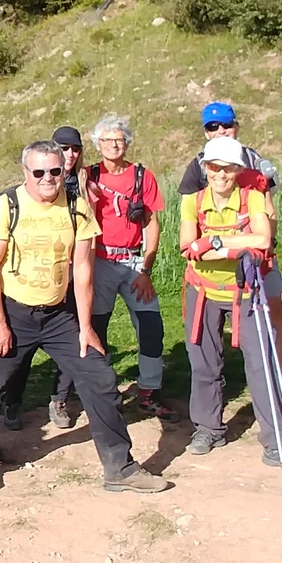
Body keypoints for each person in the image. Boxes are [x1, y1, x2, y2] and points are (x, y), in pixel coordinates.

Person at [0, 140, 169, 495]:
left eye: (55, 171)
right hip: (12, 311)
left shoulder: (76, 206)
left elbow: (84, 268)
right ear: (25, 173)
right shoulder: (8, 204)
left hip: (59, 314)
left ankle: (119, 468)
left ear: (65, 171)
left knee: (101, 378)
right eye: (39, 172)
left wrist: (86, 326)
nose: (48, 178)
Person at [177, 102, 282, 415]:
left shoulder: (254, 160)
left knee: (278, 314)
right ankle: (213, 409)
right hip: (216, 268)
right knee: (207, 347)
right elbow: (190, 230)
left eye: (225, 125)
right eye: (212, 127)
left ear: (236, 126)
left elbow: (267, 214)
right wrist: (229, 244)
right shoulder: (197, 165)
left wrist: (223, 243)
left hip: (257, 259)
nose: (220, 131)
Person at [51, 115, 173, 428]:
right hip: (99, 262)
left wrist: (147, 266)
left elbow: (152, 223)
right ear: (97, 145)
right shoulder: (86, 176)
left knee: (151, 327)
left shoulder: (142, 176)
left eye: (119, 139)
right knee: (95, 328)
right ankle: (101, 391)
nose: (114, 145)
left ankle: (148, 390)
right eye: (106, 140)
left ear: (127, 142)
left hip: (133, 262)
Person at [177, 139, 282, 465]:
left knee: (261, 365)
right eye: (214, 167)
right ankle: (208, 428)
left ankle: (275, 440)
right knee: (203, 363)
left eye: (227, 168)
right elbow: (186, 246)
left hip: (247, 291)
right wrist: (240, 244)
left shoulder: (251, 197)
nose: (220, 174)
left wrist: (213, 241)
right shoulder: (192, 202)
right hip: (204, 291)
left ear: (238, 170)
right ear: (205, 168)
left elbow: (264, 239)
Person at [0, 125, 88, 429]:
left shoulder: (85, 184)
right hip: (27, 287)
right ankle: (11, 401)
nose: (70, 154)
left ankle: (59, 399)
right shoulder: (23, 193)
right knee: (18, 353)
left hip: (69, 278)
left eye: (75, 149)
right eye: (64, 148)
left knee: (74, 350)